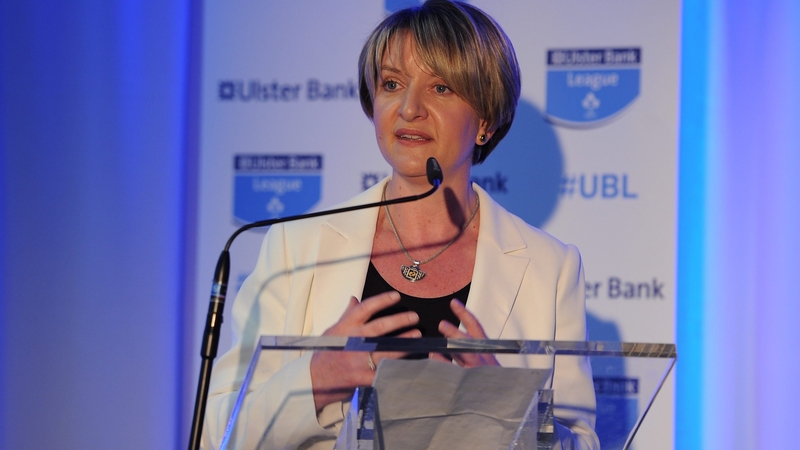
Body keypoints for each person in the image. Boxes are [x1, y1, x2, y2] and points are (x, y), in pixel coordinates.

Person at [202, 1, 599, 449]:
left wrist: (510, 411)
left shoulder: (551, 267)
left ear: (485, 120)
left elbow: (581, 443)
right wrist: (315, 379)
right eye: (392, 84)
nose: (409, 108)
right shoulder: (298, 245)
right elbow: (217, 430)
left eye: (441, 88)